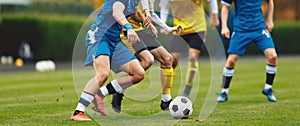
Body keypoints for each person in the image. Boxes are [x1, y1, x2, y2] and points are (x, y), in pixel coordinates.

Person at [71, 0, 150, 121]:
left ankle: (100, 94)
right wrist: (128, 27)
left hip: (114, 41)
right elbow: (117, 12)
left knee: (138, 73)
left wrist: (149, 21)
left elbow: (134, 11)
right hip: (100, 37)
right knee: (103, 74)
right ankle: (78, 112)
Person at [110, 6, 184, 113]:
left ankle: (166, 100)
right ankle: (118, 89)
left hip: (140, 30)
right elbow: (135, 14)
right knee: (147, 61)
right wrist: (147, 20)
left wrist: (168, 28)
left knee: (167, 59)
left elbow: (151, 14)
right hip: (127, 32)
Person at [217, 0, 277, 102]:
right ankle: (224, 92)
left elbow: (270, 2)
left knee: (272, 56)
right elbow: (225, 7)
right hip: (241, 30)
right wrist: (224, 26)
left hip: (259, 29)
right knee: (231, 61)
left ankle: (268, 88)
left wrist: (270, 20)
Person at [160, 0, 219, 97]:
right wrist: (163, 23)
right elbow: (164, 7)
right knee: (172, 60)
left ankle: (187, 89)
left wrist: (215, 17)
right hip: (179, 29)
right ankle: (167, 92)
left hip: (197, 27)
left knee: (192, 57)